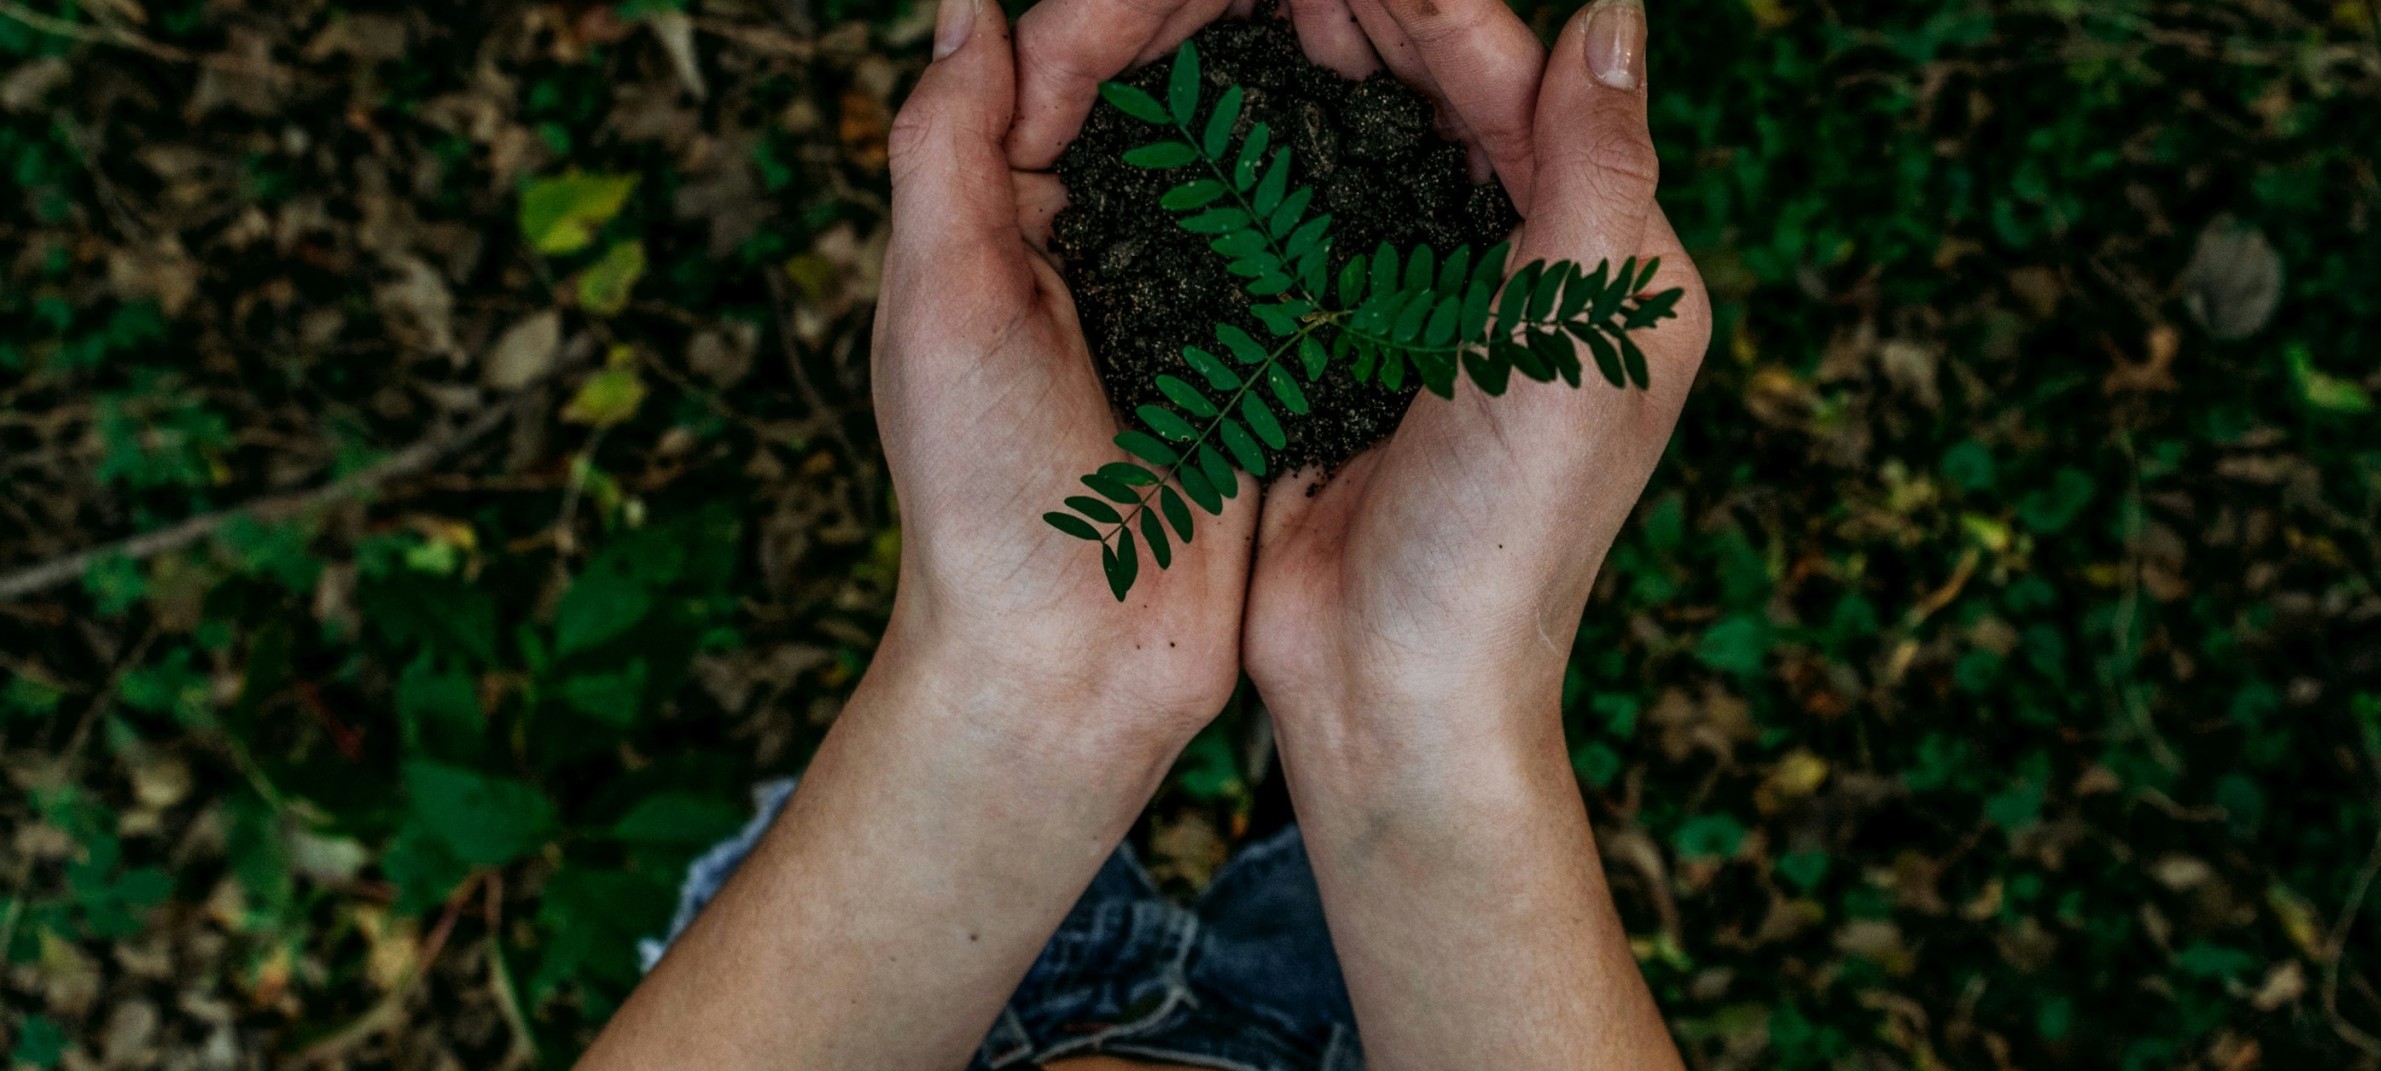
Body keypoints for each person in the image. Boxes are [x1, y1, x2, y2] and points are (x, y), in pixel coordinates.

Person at [575, 0, 1706, 1063]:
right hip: (1397, 1009)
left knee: (1308, 845)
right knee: (1313, 873)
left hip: (903, 952)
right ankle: (1322, 775)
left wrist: (1017, 692)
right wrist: (1421, 724)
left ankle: (1301, 765)